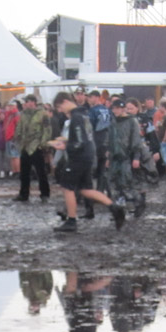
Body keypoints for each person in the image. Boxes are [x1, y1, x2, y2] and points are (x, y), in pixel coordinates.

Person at [49, 91, 126, 233]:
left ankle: (71, 220)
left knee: (67, 187)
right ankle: (114, 207)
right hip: (89, 155)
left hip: (78, 157)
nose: (60, 111)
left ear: (65, 102)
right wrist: (67, 141)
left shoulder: (76, 117)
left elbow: (79, 141)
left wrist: (65, 145)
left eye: (59, 108)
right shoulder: (84, 114)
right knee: (85, 189)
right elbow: (84, 137)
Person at [13, 94, 51, 202]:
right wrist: (17, 138)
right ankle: (24, 194)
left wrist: (43, 144)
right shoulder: (23, 114)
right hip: (25, 146)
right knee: (24, 172)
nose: (26, 104)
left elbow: (47, 130)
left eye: (28, 101)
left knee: (41, 172)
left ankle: (45, 194)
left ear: (33, 102)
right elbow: (19, 127)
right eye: (25, 102)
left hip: (36, 145)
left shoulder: (43, 114)